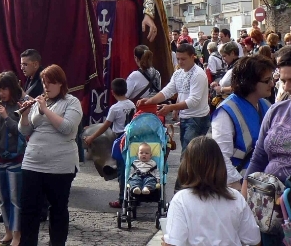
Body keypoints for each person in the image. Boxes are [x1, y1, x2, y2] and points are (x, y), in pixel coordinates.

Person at [244, 46, 291, 245]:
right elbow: (258, 157)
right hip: (268, 210)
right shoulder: (276, 111)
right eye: (283, 81)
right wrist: (244, 202)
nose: (287, 87)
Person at [18, 65, 82, 246]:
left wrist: (45, 110)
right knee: (29, 210)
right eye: (44, 83)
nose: (46, 87)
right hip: (32, 163)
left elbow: (67, 128)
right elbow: (25, 130)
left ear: (61, 83)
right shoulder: (39, 103)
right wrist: (24, 115)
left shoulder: (71, 102)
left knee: (58, 209)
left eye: (50, 83)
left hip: (60, 166)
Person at [162, 137, 260, 246]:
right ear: (220, 164)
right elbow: (254, 240)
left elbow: (174, 242)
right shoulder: (236, 197)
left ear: (187, 165)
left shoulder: (181, 199)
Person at [138, 44, 210, 163]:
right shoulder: (178, 73)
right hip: (186, 117)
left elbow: (194, 101)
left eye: (183, 59)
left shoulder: (198, 74)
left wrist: (171, 107)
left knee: (188, 157)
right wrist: (150, 100)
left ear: (193, 57)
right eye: (178, 59)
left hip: (197, 118)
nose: (180, 62)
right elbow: (167, 91)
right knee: (191, 155)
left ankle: (185, 181)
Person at [211, 56, 273, 191]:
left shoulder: (266, 105)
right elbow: (221, 157)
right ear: (250, 83)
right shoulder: (226, 111)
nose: (272, 84)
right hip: (238, 186)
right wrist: (239, 190)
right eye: (267, 80)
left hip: (263, 185)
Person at [0, 72, 26, 246]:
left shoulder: (20, 105)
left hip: (15, 157)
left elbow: (21, 131)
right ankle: (8, 231)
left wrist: (6, 117)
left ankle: (17, 235)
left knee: (16, 199)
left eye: (5, 88)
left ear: (13, 88)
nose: (2, 93)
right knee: (3, 198)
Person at [83, 78, 135, 208]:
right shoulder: (132, 105)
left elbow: (105, 126)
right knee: (131, 168)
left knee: (122, 169)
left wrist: (92, 136)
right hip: (132, 138)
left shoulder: (115, 108)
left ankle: (122, 198)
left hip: (119, 138)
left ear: (112, 92)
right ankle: (133, 195)